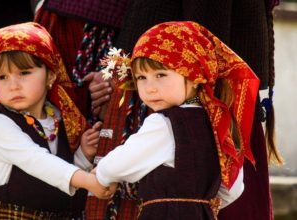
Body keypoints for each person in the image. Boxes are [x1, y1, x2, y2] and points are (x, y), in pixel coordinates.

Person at [94, 21, 260, 220]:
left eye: (160, 75)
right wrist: (201, 206)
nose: (150, 87)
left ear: (194, 76)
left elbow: (115, 166)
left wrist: (101, 174)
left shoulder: (163, 124)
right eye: (141, 78)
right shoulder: (219, 124)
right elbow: (233, 189)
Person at [0, 22, 115, 219]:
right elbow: (38, 162)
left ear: (50, 75)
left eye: (24, 73)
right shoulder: (0, 123)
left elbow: (60, 180)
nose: (13, 86)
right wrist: (89, 181)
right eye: (1, 77)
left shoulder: (58, 118)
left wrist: (83, 155)